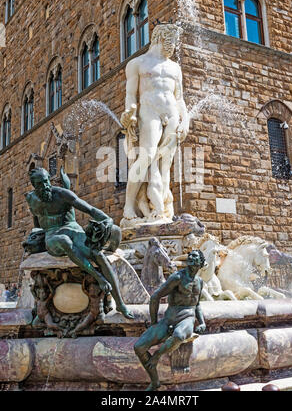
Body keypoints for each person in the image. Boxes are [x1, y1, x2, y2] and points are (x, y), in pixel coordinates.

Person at [25, 167, 134, 319]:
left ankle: (121, 304)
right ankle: (98, 277)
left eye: (46, 181)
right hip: (52, 235)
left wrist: (106, 219)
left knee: (98, 254)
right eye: (41, 184)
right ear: (34, 185)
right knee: (63, 241)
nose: (45, 186)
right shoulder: (30, 198)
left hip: (72, 229)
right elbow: (37, 220)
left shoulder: (62, 194)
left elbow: (89, 209)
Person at [120, 23, 190, 225]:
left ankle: (162, 210)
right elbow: (131, 95)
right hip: (149, 111)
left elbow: (179, 98)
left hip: (172, 113)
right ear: (161, 37)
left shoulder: (175, 68)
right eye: (172, 41)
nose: (174, 46)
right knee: (147, 156)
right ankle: (129, 206)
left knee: (165, 163)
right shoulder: (138, 64)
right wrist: (129, 112)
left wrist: (185, 120)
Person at [134, 250, 207, 391]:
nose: (191, 257)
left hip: (187, 318)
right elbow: (155, 297)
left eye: (195, 256)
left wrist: (202, 322)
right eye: (190, 255)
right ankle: (155, 382)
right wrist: (154, 323)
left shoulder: (200, 282)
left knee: (179, 335)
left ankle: (156, 356)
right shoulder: (177, 277)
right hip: (169, 319)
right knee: (139, 347)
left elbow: (197, 305)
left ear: (201, 263)